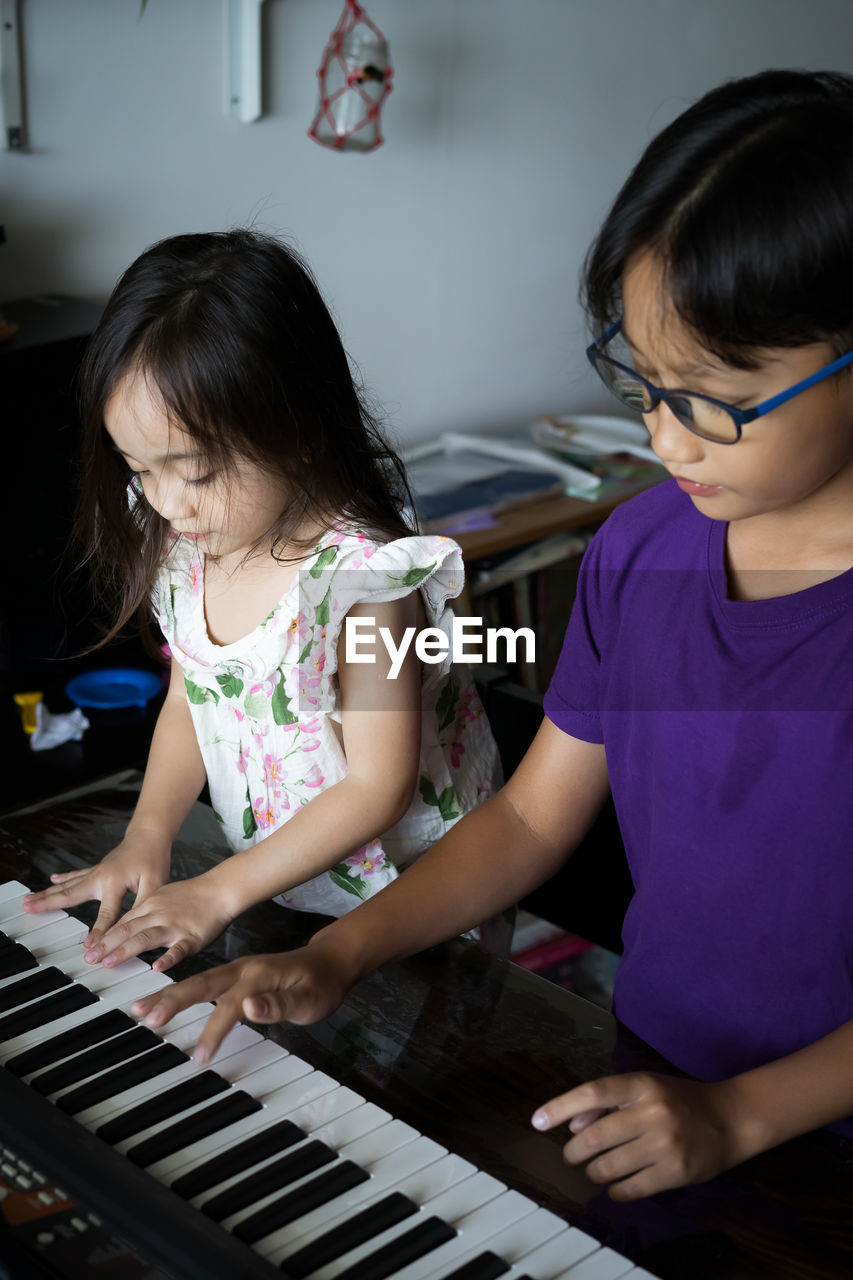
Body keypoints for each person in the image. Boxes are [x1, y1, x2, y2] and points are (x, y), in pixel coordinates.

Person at [96, 66, 853, 1199]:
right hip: (648, 1079)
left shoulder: (366, 579)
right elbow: (534, 815)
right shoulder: (642, 548)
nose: (665, 436)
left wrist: (741, 1113)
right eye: (642, 382)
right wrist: (332, 955)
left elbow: (390, 755)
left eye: (712, 396)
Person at [22, 229, 505, 958]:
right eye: (139, 470)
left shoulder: (365, 583)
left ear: (299, 427)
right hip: (277, 887)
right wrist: (146, 836)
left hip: (410, 910)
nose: (167, 504)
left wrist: (217, 891)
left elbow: (378, 786)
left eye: (197, 472)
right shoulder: (183, 545)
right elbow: (192, 697)